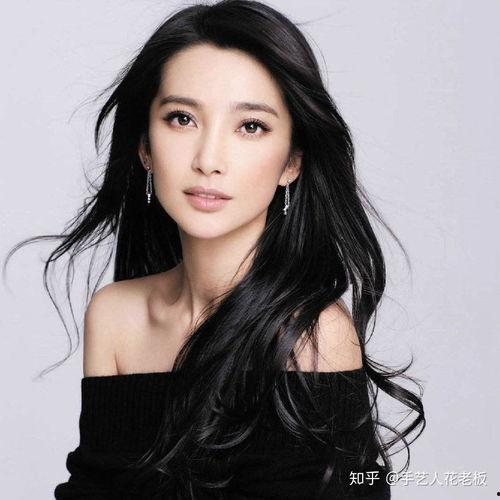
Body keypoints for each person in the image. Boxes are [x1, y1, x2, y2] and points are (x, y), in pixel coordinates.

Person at [4, 1, 425, 498]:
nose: (208, 160)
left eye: (251, 126)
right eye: (182, 118)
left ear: (292, 162)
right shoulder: (115, 317)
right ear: (145, 146)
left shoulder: (312, 334)